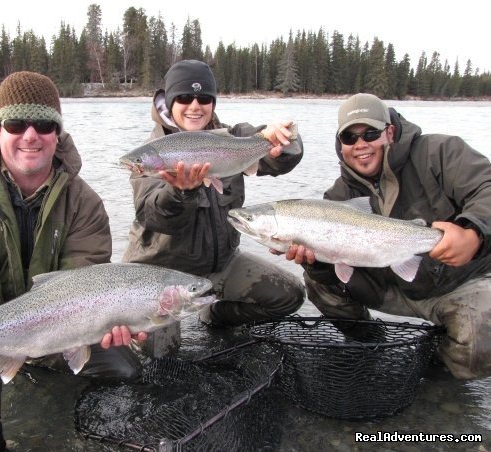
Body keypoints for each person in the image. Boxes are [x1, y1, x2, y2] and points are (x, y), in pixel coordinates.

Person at [0, 71, 146, 451]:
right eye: (16, 123)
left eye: (43, 124)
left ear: (56, 134)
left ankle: (43, 381)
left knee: (125, 369)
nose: (30, 135)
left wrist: (109, 320)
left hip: (57, 325)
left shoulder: (84, 202)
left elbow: (84, 279)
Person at [286, 92, 491, 380]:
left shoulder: (440, 152)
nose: (361, 145)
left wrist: (474, 232)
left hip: (458, 281)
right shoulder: (337, 197)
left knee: (480, 344)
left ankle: (435, 368)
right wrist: (316, 263)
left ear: (390, 132)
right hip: (390, 286)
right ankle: (371, 342)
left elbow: (487, 186)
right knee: (318, 282)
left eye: (370, 133)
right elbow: (334, 269)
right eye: (350, 138)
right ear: (340, 144)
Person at [122, 59, 305, 330]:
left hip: (222, 265)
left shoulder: (234, 138)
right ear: (170, 102)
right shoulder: (151, 153)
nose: (195, 106)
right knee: (159, 356)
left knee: (289, 295)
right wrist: (179, 193)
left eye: (204, 98)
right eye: (184, 97)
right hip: (160, 274)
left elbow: (284, 159)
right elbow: (153, 217)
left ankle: (214, 314)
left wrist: (285, 138)